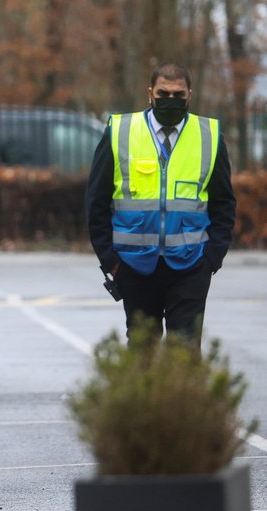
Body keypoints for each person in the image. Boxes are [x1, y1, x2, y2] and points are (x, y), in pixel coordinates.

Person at [86, 63, 236, 350]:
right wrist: (111, 261)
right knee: (143, 353)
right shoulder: (120, 131)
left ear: (190, 95)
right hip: (133, 265)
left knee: (186, 352)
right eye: (163, 93)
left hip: (191, 265)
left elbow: (224, 204)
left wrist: (211, 260)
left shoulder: (209, 136)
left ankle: (185, 398)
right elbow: (96, 200)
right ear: (150, 94)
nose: (171, 100)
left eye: (178, 95)